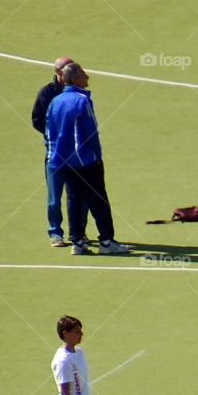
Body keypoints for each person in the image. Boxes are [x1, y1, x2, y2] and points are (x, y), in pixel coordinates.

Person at [45, 62, 129, 256]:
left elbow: (49, 132)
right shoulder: (82, 100)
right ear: (74, 79)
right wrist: (97, 156)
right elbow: (91, 133)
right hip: (85, 161)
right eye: (84, 74)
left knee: (73, 199)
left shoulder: (55, 102)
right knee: (98, 200)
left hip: (61, 160)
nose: (87, 77)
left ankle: (77, 242)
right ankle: (107, 242)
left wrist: (53, 156)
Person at [31, 56, 85, 247]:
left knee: (79, 195)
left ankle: (79, 232)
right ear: (58, 72)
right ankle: (55, 232)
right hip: (55, 153)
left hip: (77, 153)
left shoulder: (80, 92)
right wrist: (54, 135)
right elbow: (37, 119)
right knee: (55, 196)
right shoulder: (47, 93)